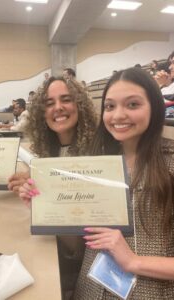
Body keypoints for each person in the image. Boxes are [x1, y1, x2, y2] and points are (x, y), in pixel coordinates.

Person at [73, 67, 174, 299]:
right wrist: (43, 206)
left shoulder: (170, 164)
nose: (117, 115)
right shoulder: (95, 163)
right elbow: (79, 242)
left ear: (155, 107)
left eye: (132, 105)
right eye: (109, 106)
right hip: (88, 290)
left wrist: (134, 261)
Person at [19, 76, 98, 300]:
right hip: (60, 250)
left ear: (80, 105)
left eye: (66, 99)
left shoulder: (100, 154)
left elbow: (84, 244)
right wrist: (37, 201)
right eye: (49, 103)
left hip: (87, 262)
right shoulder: (46, 154)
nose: (58, 108)